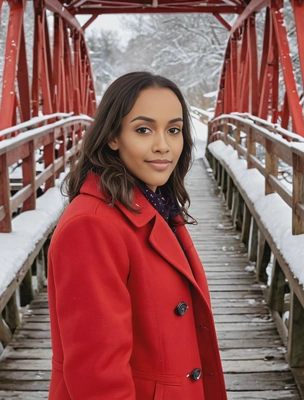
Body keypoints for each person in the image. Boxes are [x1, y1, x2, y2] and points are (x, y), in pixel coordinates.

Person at [47, 72, 228, 400]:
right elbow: (97, 379)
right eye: (143, 129)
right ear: (113, 136)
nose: (163, 145)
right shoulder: (92, 227)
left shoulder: (155, 203)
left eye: (173, 130)